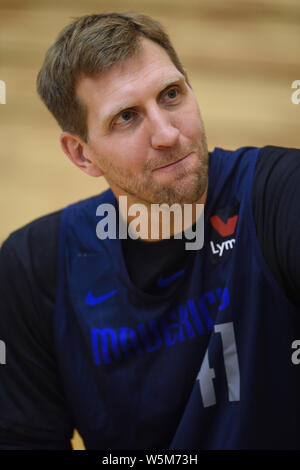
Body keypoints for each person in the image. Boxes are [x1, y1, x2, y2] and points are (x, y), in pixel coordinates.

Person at [0, 12, 299, 451]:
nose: (166, 133)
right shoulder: (35, 267)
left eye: (171, 94)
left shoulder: (279, 195)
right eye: (126, 117)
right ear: (82, 155)